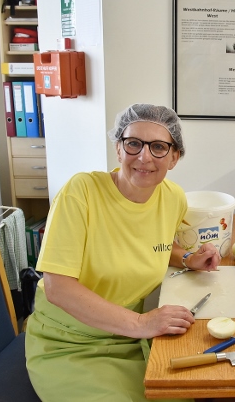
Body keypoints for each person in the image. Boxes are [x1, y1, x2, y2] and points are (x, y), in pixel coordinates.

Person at [25, 104, 221, 402]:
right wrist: (142, 324)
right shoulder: (81, 192)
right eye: (133, 143)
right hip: (70, 341)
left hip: (131, 336)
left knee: (183, 393)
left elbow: (157, 243)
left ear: (174, 157)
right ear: (118, 149)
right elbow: (58, 288)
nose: (144, 157)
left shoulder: (173, 198)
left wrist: (187, 258)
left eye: (158, 147)